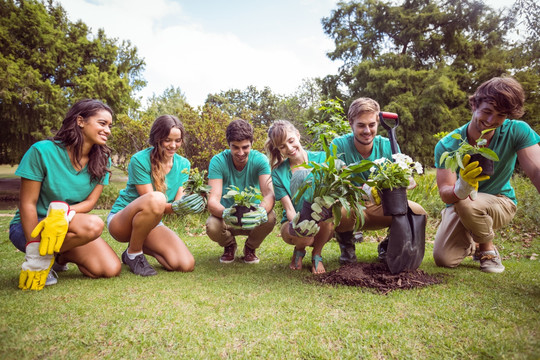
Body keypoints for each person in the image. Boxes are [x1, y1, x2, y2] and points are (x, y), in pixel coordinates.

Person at [10, 99, 121, 290]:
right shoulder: (42, 151)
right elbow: (28, 203)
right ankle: (42, 257)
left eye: (109, 126)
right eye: (102, 124)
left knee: (109, 268)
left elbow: (90, 202)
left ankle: (60, 256)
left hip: (67, 224)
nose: (108, 131)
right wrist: (34, 249)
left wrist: (62, 212)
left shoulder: (102, 159)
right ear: (80, 121)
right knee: (93, 224)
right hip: (32, 226)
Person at [434, 76, 540, 273]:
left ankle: (487, 248)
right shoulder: (448, 145)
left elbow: (536, 170)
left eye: (500, 115)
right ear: (474, 105)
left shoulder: (517, 131)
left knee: (466, 203)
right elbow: (445, 193)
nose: (491, 121)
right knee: (444, 259)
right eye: (487, 112)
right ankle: (473, 235)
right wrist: (461, 187)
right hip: (461, 203)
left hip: (500, 202)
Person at [331, 97, 426, 263]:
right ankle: (347, 247)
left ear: (378, 122)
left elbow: (408, 179)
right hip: (353, 207)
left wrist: (406, 181)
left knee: (418, 212)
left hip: (381, 207)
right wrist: (363, 188)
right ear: (350, 123)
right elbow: (334, 179)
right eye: (361, 125)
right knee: (343, 211)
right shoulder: (339, 145)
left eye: (371, 125)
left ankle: (388, 246)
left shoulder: (389, 145)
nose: (367, 130)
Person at [107, 115, 195, 276]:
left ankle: (132, 250)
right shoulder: (139, 160)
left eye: (178, 140)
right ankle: (134, 254)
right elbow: (154, 204)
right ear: (157, 138)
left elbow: (178, 202)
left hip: (152, 223)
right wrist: (177, 208)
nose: (173, 145)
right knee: (157, 199)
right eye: (168, 140)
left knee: (185, 264)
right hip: (121, 221)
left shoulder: (184, 164)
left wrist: (191, 204)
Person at [265, 120, 333, 274]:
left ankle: (317, 254)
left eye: (291, 141)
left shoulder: (322, 159)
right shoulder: (278, 172)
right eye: (282, 146)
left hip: (321, 219)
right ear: (278, 149)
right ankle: (300, 249)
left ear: (297, 135)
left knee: (328, 219)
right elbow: (288, 208)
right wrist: (300, 227)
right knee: (305, 237)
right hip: (293, 220)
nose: (289, 148)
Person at [206, 119, 276, 264]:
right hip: (228, 218)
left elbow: (269, 194)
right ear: (228, 145)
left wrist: (261, 212)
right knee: (212, 225)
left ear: (252, 144)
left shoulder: (260, 160)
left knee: (270, 217)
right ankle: (229, 245)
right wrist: (226, 213)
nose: (240, 152)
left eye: (245, 147)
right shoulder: (218, 161)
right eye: (235, 147)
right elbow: (212, 200)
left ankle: (250, 248)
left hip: (252, 218)